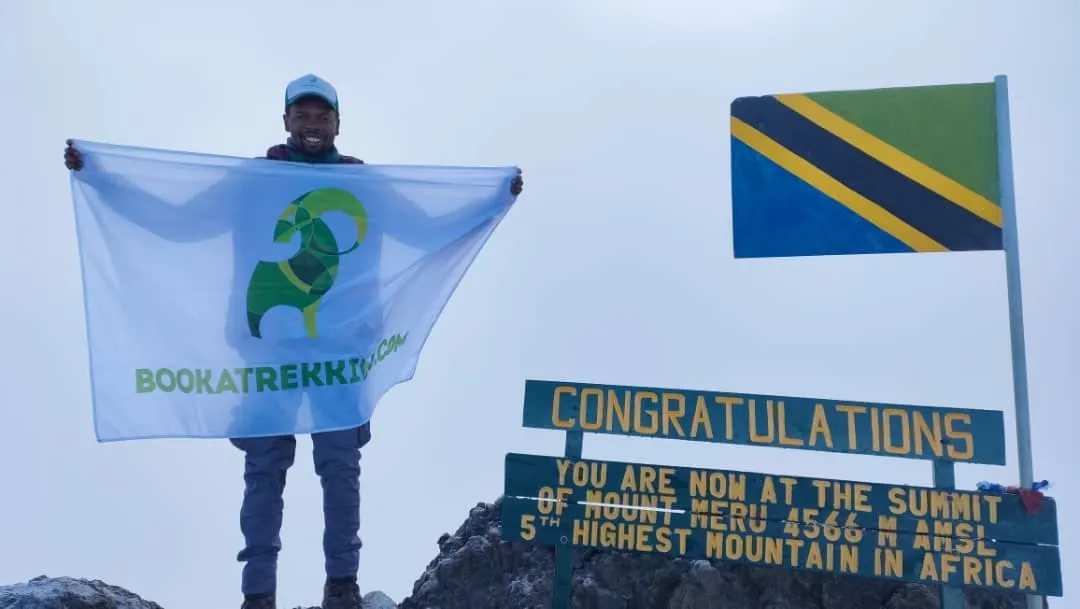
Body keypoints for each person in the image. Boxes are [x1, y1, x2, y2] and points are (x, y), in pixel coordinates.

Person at [65, 73, 524, 609]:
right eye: (302, 115)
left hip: (341, 356)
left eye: (322, 115)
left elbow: (425, 229)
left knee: (340, 468)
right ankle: (258, 594)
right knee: (264, 470)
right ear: (285, 121)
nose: (312, 124)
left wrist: (493, 199)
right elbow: (180, 222)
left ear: (337, 124)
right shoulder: (254, 181)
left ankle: (342, 586)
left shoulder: (361, 184)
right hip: (269, 352)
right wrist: (101, 178)